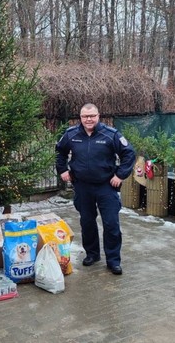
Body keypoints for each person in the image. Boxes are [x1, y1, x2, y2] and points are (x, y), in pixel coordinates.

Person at [56, 103, 135, 275]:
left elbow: (129, 153)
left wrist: (120, 175)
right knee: (87, 222)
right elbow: (60, 152)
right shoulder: (71, 134)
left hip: (106, 186)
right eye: (85, 116)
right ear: (80, 117)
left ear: (98, 116)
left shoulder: (110, 134)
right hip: (82, 186)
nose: (89, 119)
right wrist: (62, 170)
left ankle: (113, 261)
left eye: (92, 116)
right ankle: (92, 254)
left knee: (111, 224)